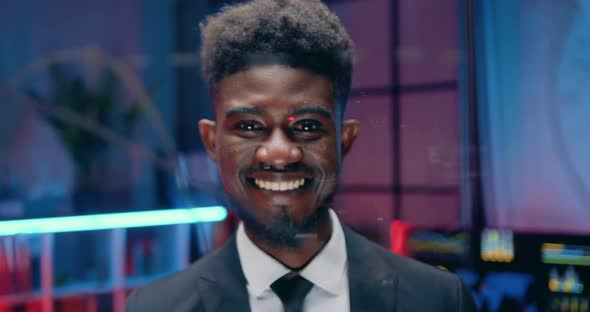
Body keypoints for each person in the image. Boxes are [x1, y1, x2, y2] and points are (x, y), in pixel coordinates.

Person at [126, 0, 476, 311]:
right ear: (212, 141)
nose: (279, 153)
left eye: (307, 126)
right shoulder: (157, 307)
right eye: (249, 126)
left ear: (345, 139)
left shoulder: (438, 300)